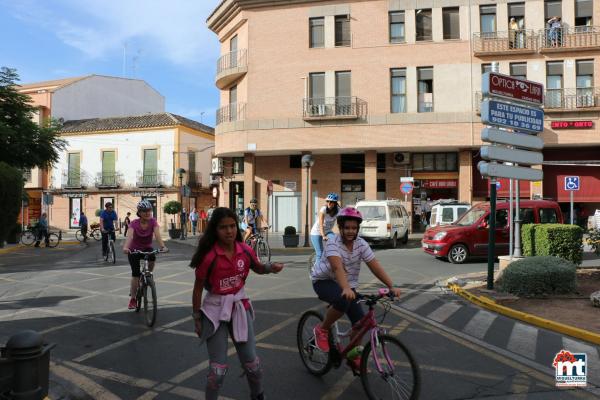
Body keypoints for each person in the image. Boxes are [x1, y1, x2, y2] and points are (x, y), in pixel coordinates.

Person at [190, 207, 283, 400]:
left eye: (232, 226)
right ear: (215, 230)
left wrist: (270, 268)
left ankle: (257, 395)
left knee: (253, 366)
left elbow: (257, 267)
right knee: (217, 372)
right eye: (223, 227)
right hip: (214, 311)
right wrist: (197, 318)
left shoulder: (245, 250)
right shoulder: (209, 256)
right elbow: (198, 288)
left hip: (239, 308)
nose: (229, 231)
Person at [310, 207, 402, 360]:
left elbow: (374, 266)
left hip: (348, 285)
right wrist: (345, 288)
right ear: (340, 227)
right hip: (324, 281)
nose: (350, 231)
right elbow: (337, 267)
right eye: (347, 228)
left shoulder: (361, 244)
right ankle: (322, 330)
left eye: (354, 228)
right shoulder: (333, 242)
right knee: (342, 299)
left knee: (359, 324)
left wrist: (390, 286)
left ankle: (353, 356)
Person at [123, 200, 168, 310]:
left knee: (152, 257)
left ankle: (148, 276)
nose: (148, 213)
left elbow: (157, 236)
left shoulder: (153, 222)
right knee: (135, 274)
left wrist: (163, 246)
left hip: (147, 249)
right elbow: (129, 237)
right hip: (134, 250)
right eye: (144, 211)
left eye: (149, 210)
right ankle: (133, 299)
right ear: (139, 212)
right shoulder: (134, 223)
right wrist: (126, 247)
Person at [310, 193, 340, 265]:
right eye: (327, 201)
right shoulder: (323, 209)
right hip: (316, 232)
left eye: (331, 202)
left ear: (335, 203)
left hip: (328, 231)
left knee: (335, 242)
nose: (329, 203)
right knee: (320, 253)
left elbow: (340, 223)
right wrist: (323, 235)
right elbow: (321, 224)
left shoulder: (338, 210)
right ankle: (316, 272)